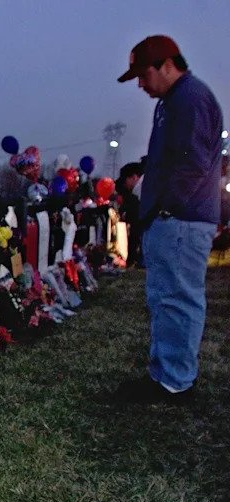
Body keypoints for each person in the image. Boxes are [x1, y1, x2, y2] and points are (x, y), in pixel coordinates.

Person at [115, 35, 223, 404]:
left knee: (177, 298)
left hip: (181, 219)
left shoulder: (189, 99)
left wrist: (165, 207)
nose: (141, 85)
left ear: (166, 65)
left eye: (143, 75)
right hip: (177, 217)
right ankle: (166, 375)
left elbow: (191, 164)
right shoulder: (176, 100)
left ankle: (175, 380)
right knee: (166, 298)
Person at [115, 161, 144, 267]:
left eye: (126, 180)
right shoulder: (140, 190)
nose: (125, 184)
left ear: (134, 177)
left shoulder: (144, 188)